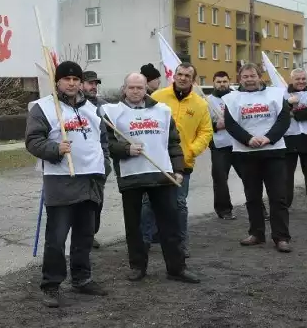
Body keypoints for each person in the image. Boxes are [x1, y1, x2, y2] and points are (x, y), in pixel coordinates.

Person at [25, 61, 111, 308]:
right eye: (66, 79)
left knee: (85, 235)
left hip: (91, 180)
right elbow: (32, 141)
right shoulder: (44, 108)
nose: (72, 83)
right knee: (57, 237)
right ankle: (51, 285)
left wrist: (104, 165)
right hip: (61, 180)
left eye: (76, 79)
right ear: (58, 82)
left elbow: (103, 140)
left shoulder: (94, 109)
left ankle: (82, 279)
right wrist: (54, 149)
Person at [101, 73, 199, 283]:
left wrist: (179, 170)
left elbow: (173, 142)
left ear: (147, 88)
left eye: (139, 87)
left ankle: (176, 268)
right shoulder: (111, 113)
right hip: (131, 177)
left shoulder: (162, 111)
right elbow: (106, 143)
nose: (135, 91)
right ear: (124, 88)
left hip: (162, 174)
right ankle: (137, 266)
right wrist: (125, 149)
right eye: (131, 87)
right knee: (134, 226)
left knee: (170, 224)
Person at [144, 63, 213, 258]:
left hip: (182, 163)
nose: (182, 78)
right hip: (154, 160)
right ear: (174, 75)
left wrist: (191, 151)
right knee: (148, 203)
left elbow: (206, 132)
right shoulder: (157, 97)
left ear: (193, 79)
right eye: (180, 74)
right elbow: (141, 119)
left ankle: (181, 244)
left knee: (179, 204)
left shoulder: (200, 104)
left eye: (187, 76)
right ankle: (145, 242)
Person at [223, 63, 292, 252]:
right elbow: (230, 124)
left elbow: (284, 119)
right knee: (252, 197)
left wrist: (268, 137)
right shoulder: (231, 99)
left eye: (252, 75)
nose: (249, 79)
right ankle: (256, 233)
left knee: (278, 197)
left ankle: (281, 237)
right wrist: (248, 139)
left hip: (273, 152)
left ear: (260, 76)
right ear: (240, 79)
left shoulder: (276, 94)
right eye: (245, 77)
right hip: (246, 154)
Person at [207, 71, 240, 220]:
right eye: (219, 82)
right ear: (214, 83)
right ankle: (224, 210)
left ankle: (259, 208)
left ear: (229, 82)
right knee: (220, 179)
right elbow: (203, 124)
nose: (222, 84)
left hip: (240, 143)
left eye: (224, 81)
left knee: (250, 177)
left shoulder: (238, 97)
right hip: (220, 146)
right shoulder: (207, 101)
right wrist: (215, 125)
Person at [82, 70, 107, 249]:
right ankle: (82, 234)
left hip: (99, 163)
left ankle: (91, 234)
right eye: (90, 83)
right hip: (81, 161)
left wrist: (106, 162)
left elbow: (110, 136)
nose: (93, 87)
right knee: (81, 203)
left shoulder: (103, 107)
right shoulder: (73, 106)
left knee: (97, 202)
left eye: (95, 84)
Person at [138, 63, 162, 245]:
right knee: (146, 201)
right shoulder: (142, 100)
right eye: (156, 79)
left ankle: (155, 231)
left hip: (158, 154)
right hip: (142, 156)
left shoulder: (159, 100)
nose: (159, 82)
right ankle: (145, 234)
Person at [283, 68, 307, 207]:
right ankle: (285, 206)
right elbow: (278, 112)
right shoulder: (282, 93)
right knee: (286, 177)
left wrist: (293, 113)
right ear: (291, 79)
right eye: (297, 79)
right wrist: (288, 104)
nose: (301, 81)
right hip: (289, 139)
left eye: (303, 78)